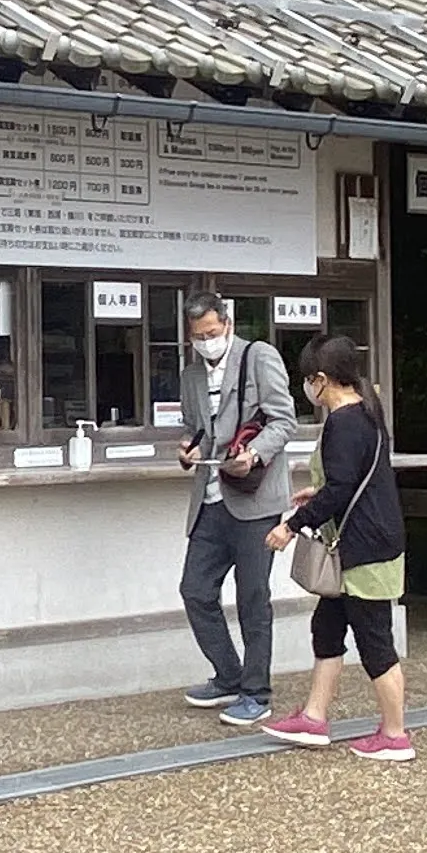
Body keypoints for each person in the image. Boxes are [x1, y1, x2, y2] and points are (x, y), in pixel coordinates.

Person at [264, 334, 413, 763]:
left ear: (323, 379)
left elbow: (343, 488)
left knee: (374, 640)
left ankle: (395, 734)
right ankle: (314, 716)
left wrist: (291, 526)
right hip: (362, 540)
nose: (307, 389)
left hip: (365, 548)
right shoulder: (367, 411)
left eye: (309, 380)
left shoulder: (344, 421)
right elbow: (352, 482)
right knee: (327, 628)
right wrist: (320, 491)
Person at [174, 295, 293, 725]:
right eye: (197, 337)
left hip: (254, 497)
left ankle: (257, 693)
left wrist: (255, 454)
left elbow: (284, 420)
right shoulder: (190, 374)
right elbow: (196, 427)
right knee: (195, 590)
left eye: (211, 333)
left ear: (226, 323)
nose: (206, 342)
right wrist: (188, 449)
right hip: (208, 497)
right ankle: (229, 675)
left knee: (253, 598)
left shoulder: (258, 356)